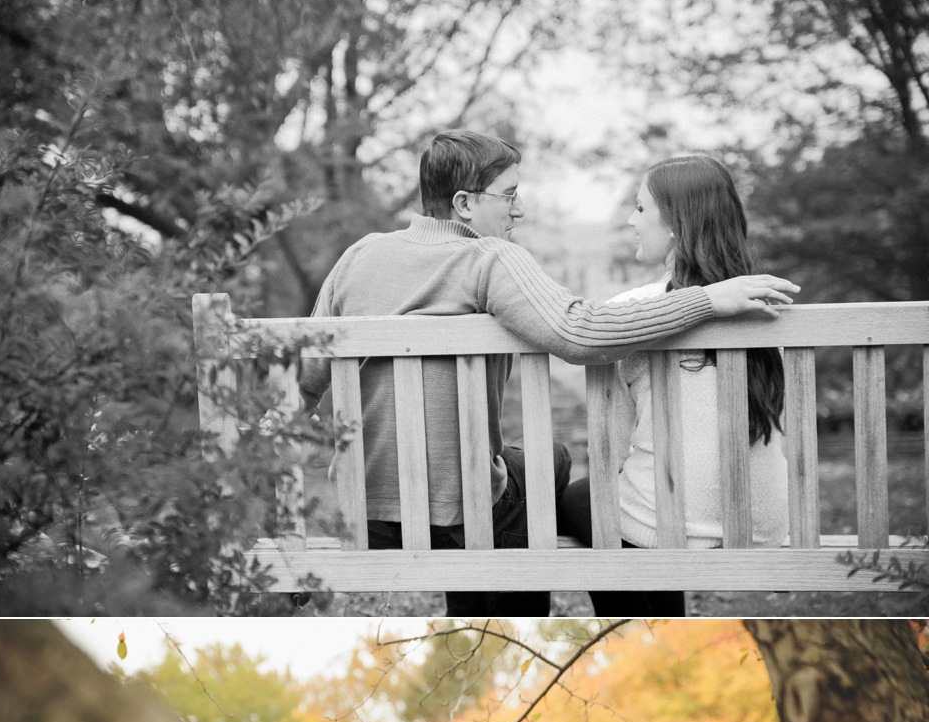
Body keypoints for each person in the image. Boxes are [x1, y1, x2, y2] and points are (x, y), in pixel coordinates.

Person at [297, 129, 799, 618]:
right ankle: (512, 620)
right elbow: (578, 332)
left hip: (360, 509)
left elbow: (304, 375)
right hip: (457, 514)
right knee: (547, 461)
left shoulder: (358, 256)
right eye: (509, 195)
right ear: (465, 204)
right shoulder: (489, 258)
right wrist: (708, 299)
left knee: (526, 470)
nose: (519, 209)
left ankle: (470, 618)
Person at [559, 153, 789, 618]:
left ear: (676, 225)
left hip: (669, 526)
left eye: (641, 209)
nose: (630, 219)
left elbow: (616, 446)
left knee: (578, 497)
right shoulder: (766, 305)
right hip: (764, 526)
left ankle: (633, 625)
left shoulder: (636, 310)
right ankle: (662, 625)